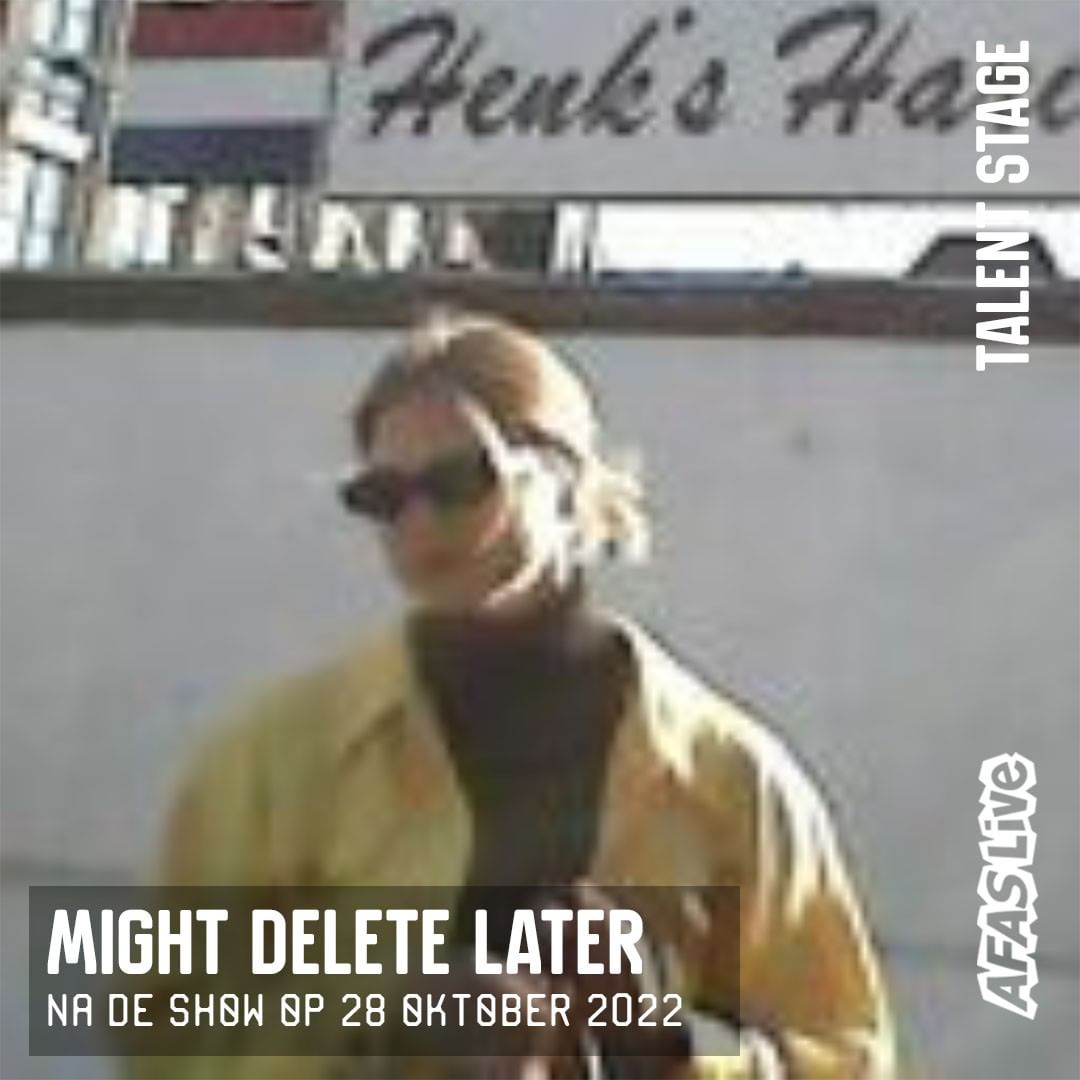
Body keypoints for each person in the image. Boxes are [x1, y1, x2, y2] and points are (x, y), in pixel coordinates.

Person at [138, 312, 897, 1079]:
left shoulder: (728, 780)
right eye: (382, 495)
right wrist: (392, 1020)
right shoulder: (278, 758)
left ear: (569, 484)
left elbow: (848, 1058)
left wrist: (658, 1045)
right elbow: (167, 1030)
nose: (420, 521)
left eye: (459, 482)